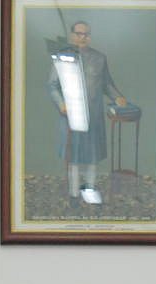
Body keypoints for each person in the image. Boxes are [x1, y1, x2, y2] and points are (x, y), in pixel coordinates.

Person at [47, 21, 126, 207]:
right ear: (72, 35)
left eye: (86, 34)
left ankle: (89, 190)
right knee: (73, 157)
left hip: (93, 116)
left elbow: (107, 84)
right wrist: (61, 104)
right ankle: (74, 194)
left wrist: (118, 96)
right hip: (70, 116)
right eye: (79, 33)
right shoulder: (62, 56)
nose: (83, 37)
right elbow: (52, 86)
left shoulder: (99, 58)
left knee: (92, 156)